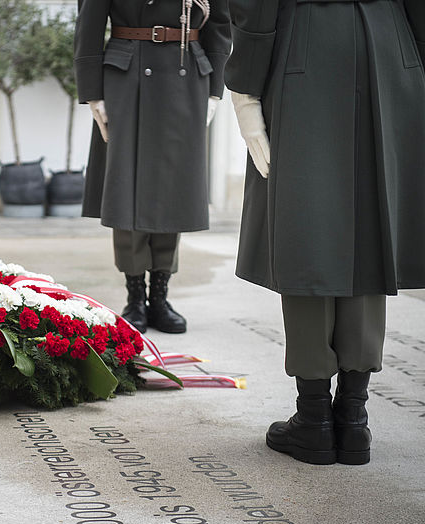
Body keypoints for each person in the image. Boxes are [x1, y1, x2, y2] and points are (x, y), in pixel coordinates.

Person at [226, 0, 425, 465]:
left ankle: (314, 419)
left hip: (309, 43)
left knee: (307, 227)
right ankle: (353, 420)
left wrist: (246, 92)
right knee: (370, 231)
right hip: (392, 42)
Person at [74, 0, 231, 334]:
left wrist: (215, 90)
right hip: (126, 74)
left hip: (187, 72)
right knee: (127, 186)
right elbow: (88, 22)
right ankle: (135, 297)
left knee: (171, 188)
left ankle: (159, 295)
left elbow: (220, 22)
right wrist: (92, 93)